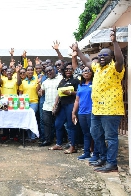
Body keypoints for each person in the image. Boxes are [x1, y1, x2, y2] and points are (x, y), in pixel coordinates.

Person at [71, 27, 125, 173]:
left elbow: (120, 59)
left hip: (111, 109)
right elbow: (87, 62)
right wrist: (78, 51)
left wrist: (114, 42)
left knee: (111, 137)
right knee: (96, 134)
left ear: (111, 57)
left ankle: (112, 163)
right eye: (100, 55)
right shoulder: (97, 68)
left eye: (105, 55)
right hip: (97, 109)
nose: (101, 57)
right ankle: (103, 158)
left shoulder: (116, 68)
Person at [49, 63, 80, 153]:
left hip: (71, 104)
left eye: (70, 69)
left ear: (73, 70)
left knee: (71, 125)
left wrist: (71, 92)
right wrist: (55, 104)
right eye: (66, 69)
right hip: (62, 105)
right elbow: (59, 93)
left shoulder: (76, 80)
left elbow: (80, 92)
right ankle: (59, 144)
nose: (68, 70)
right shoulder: (62, 81)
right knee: (58, 124)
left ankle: (73, 146)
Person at [39, 65, 62, 146]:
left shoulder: (60, 79)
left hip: (58, 106)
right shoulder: (45, 82)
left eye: (50, 70)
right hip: (47, 106)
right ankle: (47, 140)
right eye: (47, 71)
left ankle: (59, 141)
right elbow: (41, 92)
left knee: (58, 124)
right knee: (46, 124)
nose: (49, 72)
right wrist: (40, 91)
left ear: (54, 70)